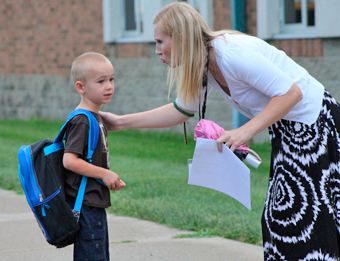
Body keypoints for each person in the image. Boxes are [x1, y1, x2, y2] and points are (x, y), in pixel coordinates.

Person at [99, 2, 340, 260]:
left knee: (297, 218)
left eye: (160, 41)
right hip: (290, 130)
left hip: (316, 126)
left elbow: (292, 93)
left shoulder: (232, 54)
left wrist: (243, 132)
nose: (157, 50)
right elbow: (181, 110)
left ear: (180, 38)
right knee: (288, 217)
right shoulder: (204, 62)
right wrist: (119, 122)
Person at [63, 52, 126, 261]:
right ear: (81, 87)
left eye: (111, 79)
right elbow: (69, 160)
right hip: (86, 206)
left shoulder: (93, 117)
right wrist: (104, 174)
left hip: (93, 204)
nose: (109, 86)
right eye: (101, 81)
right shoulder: (82, 120)